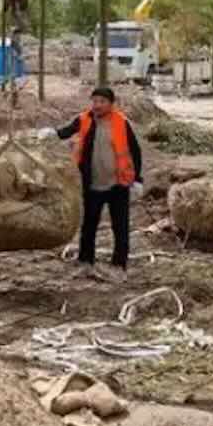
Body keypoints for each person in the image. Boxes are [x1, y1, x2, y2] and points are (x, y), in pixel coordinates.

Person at [54, 86, 145, 281]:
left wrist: (137, 179)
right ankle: (85, 261)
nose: (97, 105)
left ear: (111, 104)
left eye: (102, 102)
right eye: (94, 101)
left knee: (120, 226)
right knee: (89, 224)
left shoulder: (121, 122)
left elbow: (135, 151)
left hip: (118, 184)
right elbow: (66, 131)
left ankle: (119, 265)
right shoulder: (84, 119)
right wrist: (51, 134)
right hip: (92, 182)